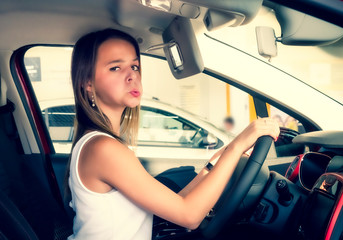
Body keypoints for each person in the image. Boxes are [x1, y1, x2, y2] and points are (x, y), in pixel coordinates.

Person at [66, 28, 280, 240]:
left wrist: (223, 156)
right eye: (115, 68)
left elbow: (178, 202)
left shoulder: (101, 143)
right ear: (88, 84)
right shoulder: (103, 148)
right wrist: (237, 147)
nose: (132, 75)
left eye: (134, 65)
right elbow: (189, 215)